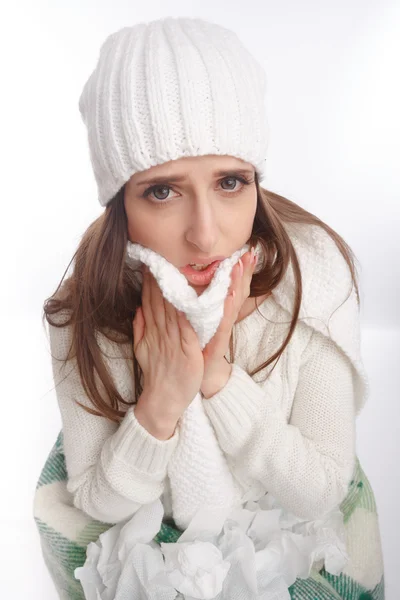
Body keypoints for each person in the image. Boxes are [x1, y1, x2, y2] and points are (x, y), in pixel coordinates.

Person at [34, 16, 385, 600]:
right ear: (119, 200)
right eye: (162, 191)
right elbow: (100, 499)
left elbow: (321, 488)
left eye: (229, 182)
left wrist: (219, 378)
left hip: (285, 515)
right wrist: (163, 402)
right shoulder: (86, 307)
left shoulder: (315, 277)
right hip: (150, 522)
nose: (205, 235)